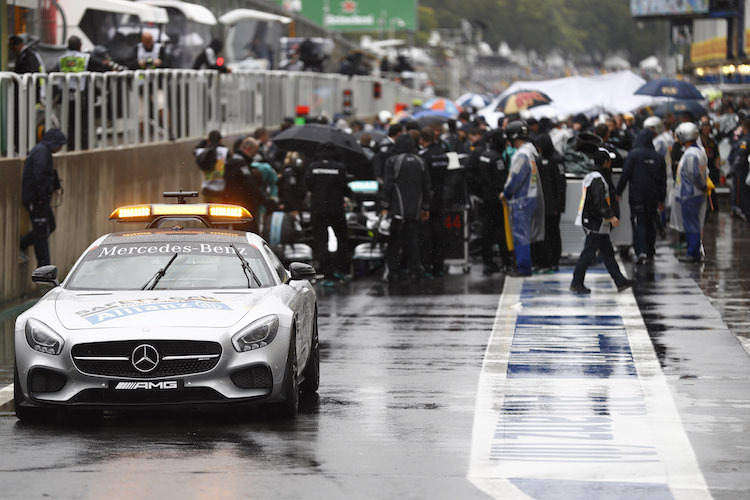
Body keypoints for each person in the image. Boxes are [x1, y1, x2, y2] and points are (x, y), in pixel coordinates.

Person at [570, 147, 632, 294]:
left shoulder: (593, 176)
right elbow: (599, 201)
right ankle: (576, 281)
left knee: (607, 252)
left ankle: (620, 280)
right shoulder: (598, 178)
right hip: (595, 222)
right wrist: (610, 216)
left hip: (595, 221)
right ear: (606, 162)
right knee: (589, 253)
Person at [380, 135, 432, 283]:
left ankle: (394, 272)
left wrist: (384, 206)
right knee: (413, 241)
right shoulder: (420, 161)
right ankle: (414, 271)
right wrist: (425, 207)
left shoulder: (393, 161)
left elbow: (388, 186)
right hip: (415, 210)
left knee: (394, 242)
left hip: (396, 210)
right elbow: (427, 187)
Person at [616, 128, 667, 264]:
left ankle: (641, 250)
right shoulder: (658, 157)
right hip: (653, 196)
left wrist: (618, 191)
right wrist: (662, 199)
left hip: (637, 196)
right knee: (651, 222)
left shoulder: (633, 155)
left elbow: (625, 175)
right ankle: (650, 249)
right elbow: (663, 180)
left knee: (639, 223)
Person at [500, 121, 544, 277]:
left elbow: (516, 178)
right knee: (525, 235)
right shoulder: (530, 152)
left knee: (521, 235)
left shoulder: (521, 155)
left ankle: (523, 267)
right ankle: (523, 265)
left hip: (521, 201)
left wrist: (506, 192)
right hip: (530, 197)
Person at [19, 129, 67, 267]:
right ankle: (44, 269)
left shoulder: (43, 151)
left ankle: (24, 243)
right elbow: (39, 176)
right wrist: (41, 197)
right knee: (41, 234)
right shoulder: (42, 152)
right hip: (37, 200)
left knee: (49, 226)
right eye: (59, 145)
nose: (60, 148)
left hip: (40, 200)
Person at [52, 36, 109, 149]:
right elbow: (101, 68)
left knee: (70, 123)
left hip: (66, 96)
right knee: (83, 123)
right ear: (80, 46)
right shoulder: (86, 58)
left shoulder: (61, 59)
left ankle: (71, 146)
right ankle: (83, 146)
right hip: (82, 97)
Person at [305, 143, 351, 284]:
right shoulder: (339, 167)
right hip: (336, 209)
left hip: (318, 209)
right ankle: (341, 270)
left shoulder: (313, 167)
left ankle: (325, 272)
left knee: (321, 241)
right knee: (341, 239)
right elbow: (345, 187)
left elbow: (308, 185)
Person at [671, 122, 708, 263]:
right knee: (692, 223)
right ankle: (693, 250)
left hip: (690, 195)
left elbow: (694, 175)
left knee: (691, 224)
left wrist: (702, 186)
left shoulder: (691, 154)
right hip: (692, 193)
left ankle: (693, 252)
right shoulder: (696, 151)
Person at [418, 127, 450, 277]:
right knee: (440, 234)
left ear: (422, 140)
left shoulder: (423, 156)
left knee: (427, 235)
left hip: (428, 200)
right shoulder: (444, 155)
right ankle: (440, 266)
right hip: (441, 198)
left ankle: (428, 265)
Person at [534, 133, 567, 271]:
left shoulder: (556, 160)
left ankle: (554, 261)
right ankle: (546, 261)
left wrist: (558, 205)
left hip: (553, 205)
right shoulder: (540, 160)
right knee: (546, 233)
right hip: (543, 203)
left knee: (553, 232)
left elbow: (560, 185)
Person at [223, 137, 268, 233]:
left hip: (232, 204)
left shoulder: (231, 161)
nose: (255, 155)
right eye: (254, 152)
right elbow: (250, 185)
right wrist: (264, 200)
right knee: (249, 232)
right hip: (245, 205)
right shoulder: (241, 164)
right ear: (248, 149)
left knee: (236, 232)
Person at [193, 130, 230, 202]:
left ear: (208, 140)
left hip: (207, 190)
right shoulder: (225, 151)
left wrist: (205, 141)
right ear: (220, 140)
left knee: (208, 210)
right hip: (221, 190)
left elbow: (195, 150)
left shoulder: (202, 152)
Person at [729, 115, 750, 221]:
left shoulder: (745, 141)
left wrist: (733, 169)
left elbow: (740, 157)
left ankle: (746, 213)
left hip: (743, 171)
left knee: (743, 192)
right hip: (744, 170)